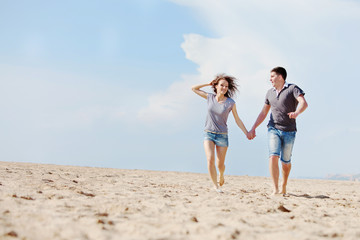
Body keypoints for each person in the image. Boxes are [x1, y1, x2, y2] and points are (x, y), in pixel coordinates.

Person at [247, 67, 308, 195]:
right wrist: (253, 128)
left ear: (280, 77)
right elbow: (264, 112)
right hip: (273, 128)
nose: (270, 79)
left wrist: (297, 112)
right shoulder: (270, 92)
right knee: (273, 155)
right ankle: (275, 189)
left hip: (289, 131)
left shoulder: (292, 88)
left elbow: (303, 103)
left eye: (272, 76)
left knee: (285, 162)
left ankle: (284, 184)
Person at [191, 74, 249, 193]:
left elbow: (237, 120)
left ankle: (221, 174)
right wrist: (208, 83)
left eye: (226, 86)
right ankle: (216, 186)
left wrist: (246, 132)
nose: (224, 88)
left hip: (222, 135)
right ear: (216, 86)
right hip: (208, 133)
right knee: (210, 159)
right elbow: (194, 88)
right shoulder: (209, 97)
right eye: (221, 85)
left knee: (220, 165)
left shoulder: (230, 103)